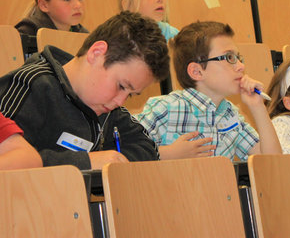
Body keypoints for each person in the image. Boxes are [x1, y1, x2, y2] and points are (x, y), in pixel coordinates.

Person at [0, 12, 170, 169]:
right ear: (96, 53)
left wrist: (112, 161)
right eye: (121, 86)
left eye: (131, 94)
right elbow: (14, 162)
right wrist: (86, 162)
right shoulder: (30, 86)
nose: (120, 101)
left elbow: (148, 148)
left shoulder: (108, 108)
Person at [137, 21, 282, 161]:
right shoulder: (165, 108)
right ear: (197, 72)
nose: (240, 66)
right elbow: (123, 151)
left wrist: (257, 107)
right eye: (229, 57)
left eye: (238, 58)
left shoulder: (231, 115)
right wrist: (168, 154)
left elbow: (272, 162)